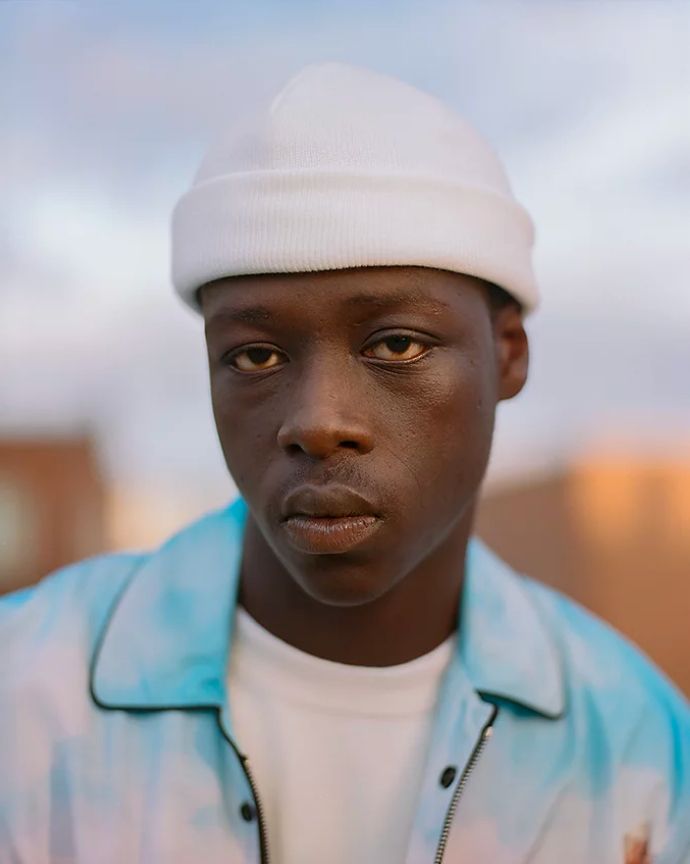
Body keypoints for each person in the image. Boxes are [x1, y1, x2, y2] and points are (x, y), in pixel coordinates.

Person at [0, 62, 688, 864]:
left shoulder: (640, 748)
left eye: (396, 344)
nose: (318, 423)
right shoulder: (24, 694)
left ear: (507, 354)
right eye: (255, 356)